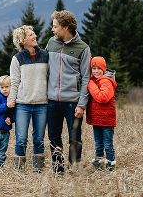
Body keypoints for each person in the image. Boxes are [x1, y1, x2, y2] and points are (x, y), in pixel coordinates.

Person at [45, 10, 92, 174]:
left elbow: (87, 78)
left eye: (55, 26)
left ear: (65, 27)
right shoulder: (51, 43)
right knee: (53, 136)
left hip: (73, 102)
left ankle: (75, 169)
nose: (53, 29)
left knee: (75, 138)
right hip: (51, 101)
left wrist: (82, 104)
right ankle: (58, 170)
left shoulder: (83, 48)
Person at [7, 25, 49, 172]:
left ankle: (38, 171)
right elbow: (14, 82)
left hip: (42, 104)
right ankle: (19, 171)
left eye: (34, 34)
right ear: (23, 40)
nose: (35, 36)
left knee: (39, 139)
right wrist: (10, 101)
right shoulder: (17, 59)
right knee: (21, 139)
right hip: (22, 105)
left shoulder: (45, 55)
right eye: (31, 35)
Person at [86, 56, 118, 171]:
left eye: (99, 68)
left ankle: (110, 163)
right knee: (98, 143)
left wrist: (90, 85)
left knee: (108, 144)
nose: (96, 71)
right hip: (97, 119)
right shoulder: (95, 80)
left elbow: (103, 98)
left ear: (104, 69)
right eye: (93, 68)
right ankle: (99, 162)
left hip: (106, 120)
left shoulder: (106, 81)